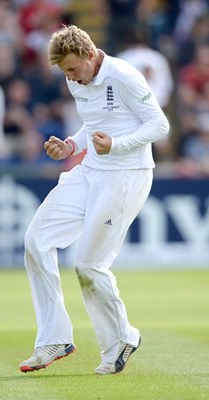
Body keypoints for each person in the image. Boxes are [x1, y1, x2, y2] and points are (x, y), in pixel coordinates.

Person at [20, 25, 170, 375]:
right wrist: (72, 145)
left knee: (88, 265)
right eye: (65, 72)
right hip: (90, 170)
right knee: (36, 240)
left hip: (127, 176)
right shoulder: (77, 79)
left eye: (73, 69)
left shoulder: (124, 75)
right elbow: (95, 123)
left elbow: (159, 125)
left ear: (90, 55)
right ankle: (54, 338)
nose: (71, 78)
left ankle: (122, 337)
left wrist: (116, 145)